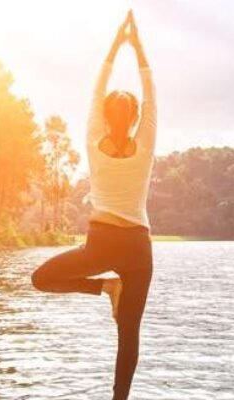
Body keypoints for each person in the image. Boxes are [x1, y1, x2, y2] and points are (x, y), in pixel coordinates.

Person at [30, 10, 156, 400]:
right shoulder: (146, 142)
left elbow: (96, 89)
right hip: (137, 247)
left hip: (101, 242)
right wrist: (137, 49)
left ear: (103, 115)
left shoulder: (93, 141)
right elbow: (151, 93)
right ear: (135, 117)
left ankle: (104, 286)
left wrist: (116, 44)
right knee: (129, 335)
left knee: (42, 278)